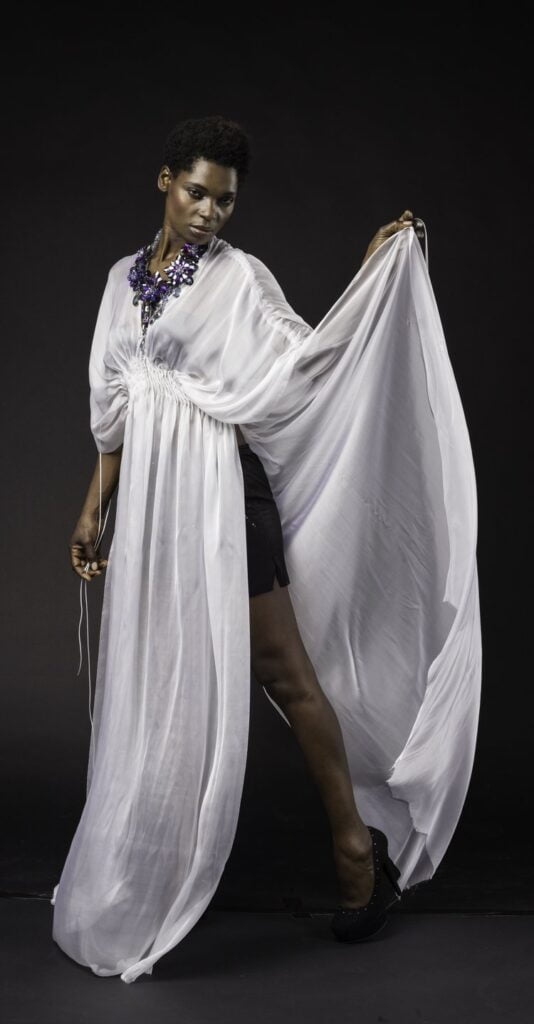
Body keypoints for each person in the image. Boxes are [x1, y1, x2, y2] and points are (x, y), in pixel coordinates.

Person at [53, 115, 481, 983]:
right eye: (196, 192)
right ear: (165, 181)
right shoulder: (119, 283)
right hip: (153, 511)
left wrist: (369, 276)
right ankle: (142, 869)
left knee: (283, 672)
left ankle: (357, 852)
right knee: (163, 670)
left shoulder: (240, 279)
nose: (210, 212)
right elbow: (117, 411)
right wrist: (93, 508)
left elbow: (306, 363)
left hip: (222, 497)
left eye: (225, 200)